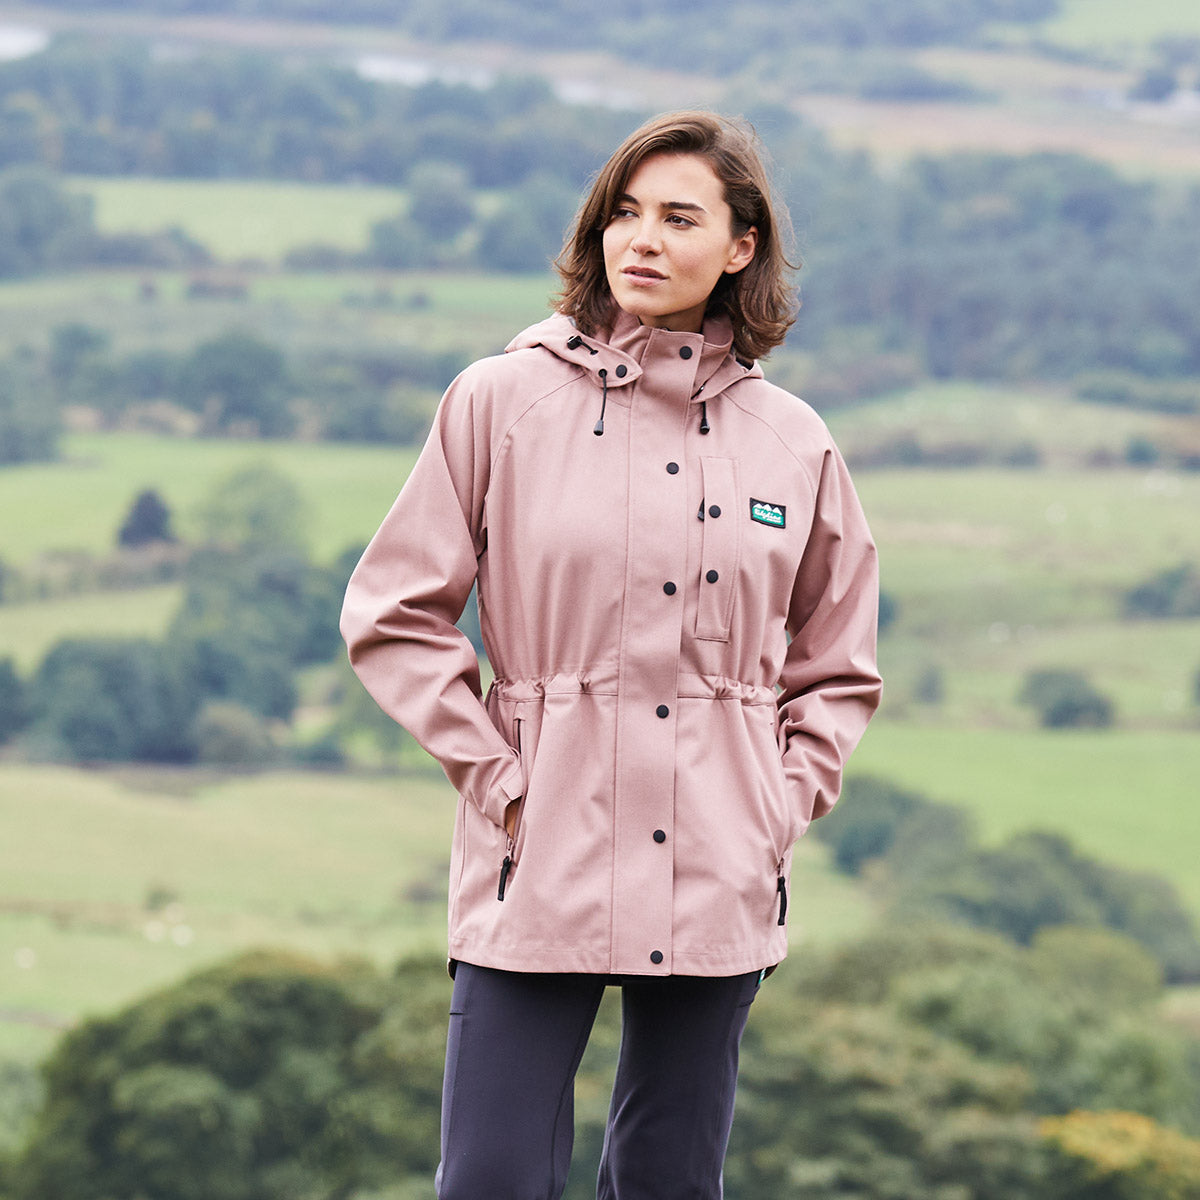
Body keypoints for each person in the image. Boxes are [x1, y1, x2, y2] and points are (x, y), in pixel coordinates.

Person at [340, 110, 883, 1200]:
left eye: (679, 217)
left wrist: (777, 804)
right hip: (537, 850)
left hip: (720, 860)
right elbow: (394, 613)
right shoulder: (501, 401)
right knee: (490, 1179)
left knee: (670, 1181)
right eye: (622, 214)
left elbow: (837, 664)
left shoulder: (795, 440)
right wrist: (499, 779)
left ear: (741, 246)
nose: (641, 238)